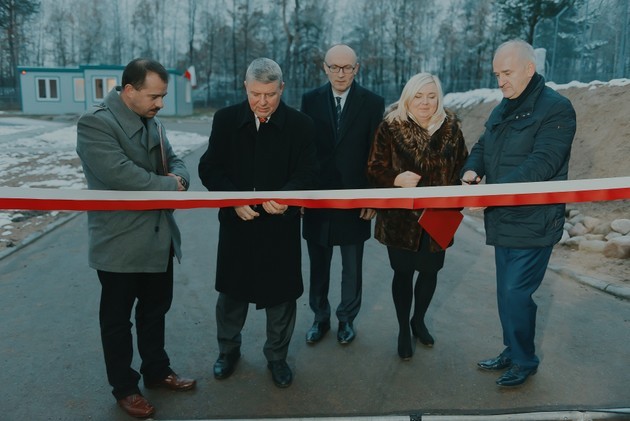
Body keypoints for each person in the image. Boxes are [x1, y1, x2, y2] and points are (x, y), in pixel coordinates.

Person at [76, 58, 195, 419]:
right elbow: (121, 176)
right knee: (116, 320)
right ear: (129, 91)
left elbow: (178, 162)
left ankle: (157, 371)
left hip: (159, 237)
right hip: (120, 241)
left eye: (162, 96)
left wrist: (180, 179)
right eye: (155, 96)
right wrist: (170, 186)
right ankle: (125, 388)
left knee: (155, 311)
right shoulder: (95, 123)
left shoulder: (153, 122)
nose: (160, 104)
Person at [461, 39, 576, 387]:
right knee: (504, 293)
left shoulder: (557, 108)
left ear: (529, 68)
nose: (501, 81)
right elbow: (483, 145)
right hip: (504, 218)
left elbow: (542, 163)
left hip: (535, 219)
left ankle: (525, 360)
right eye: (497, 74)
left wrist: (490, 193)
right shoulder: (505, 107)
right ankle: (511, 350)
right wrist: (471, 170)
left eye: (507, 73)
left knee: (515, 293)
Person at [198, 58, 318, 388]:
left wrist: (287, 197)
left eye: (270, 94)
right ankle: (228, 351)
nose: (262, 102)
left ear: (282, 88)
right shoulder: (225, 120)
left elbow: (308, 172)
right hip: (238, 225)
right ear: (245, 87)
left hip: (280, 228)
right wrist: (233, 199)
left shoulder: (301, 125)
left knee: (281, 297)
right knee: (232, 294)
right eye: (255, 94)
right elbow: (209, 168)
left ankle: (277, 358)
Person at [366, 72, 468, 360]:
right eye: (419, 96)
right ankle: (402, 328)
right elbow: (373, 168)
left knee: (430, 272)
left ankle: (418, 320)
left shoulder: (451, 128)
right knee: (403, 273)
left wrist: (467, 187)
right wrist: (396, 179)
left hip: (439, 218)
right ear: (408, 97)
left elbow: (463, 165)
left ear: (439, 98)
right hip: (400, 221)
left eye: (431, 96)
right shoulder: (390, 126)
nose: (425, 102)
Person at [301, 44, 385, 345]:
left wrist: (373, 197)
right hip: (318, 199)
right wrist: (301, 195)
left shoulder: (373, 103)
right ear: (324, 68)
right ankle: (319, 318)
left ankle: (347, 319)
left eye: (347, 67)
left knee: (352, 268)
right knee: (318, 265)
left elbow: (378, 153)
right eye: (334, 67)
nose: (340, 73)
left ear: (357, 68)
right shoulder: (309, 100)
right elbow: (303, 150)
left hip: (356, 200)